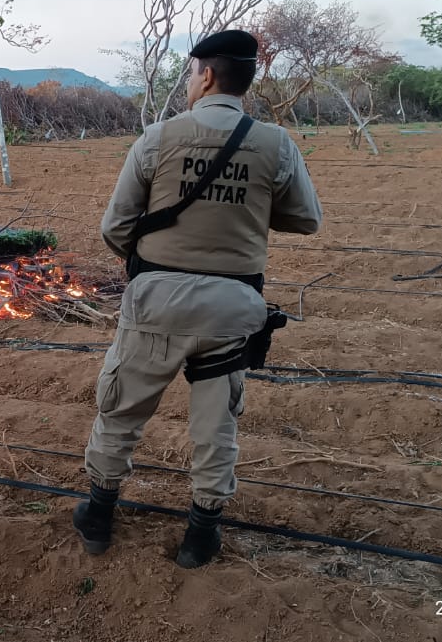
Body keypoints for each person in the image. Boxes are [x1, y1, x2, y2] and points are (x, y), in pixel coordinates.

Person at [72, 29, 322, 568]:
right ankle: (202, 532)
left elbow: (115, 228)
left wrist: (151, 265)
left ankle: (98, 514)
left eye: (190, 73)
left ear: (205, 75)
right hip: (233, 308)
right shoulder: (276, 143)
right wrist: (247, 210)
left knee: (121, 411)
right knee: (216, 423)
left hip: (156, 303)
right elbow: (307, 219)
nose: (190, 82)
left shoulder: (159, 138)